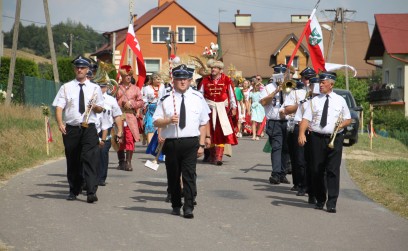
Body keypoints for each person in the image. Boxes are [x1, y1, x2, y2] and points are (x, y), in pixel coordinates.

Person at [153, 64, 210, 219]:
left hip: (191, 142)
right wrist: (167, 121)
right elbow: (155, 122)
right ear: (174, 80)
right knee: (173, 175)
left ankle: (189, 206)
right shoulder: (166, 99)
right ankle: (176, 204)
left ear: (190, 80)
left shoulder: (198, 98)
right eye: (179, 79)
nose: (182, 82)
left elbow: (204, 122)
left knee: (189, 175)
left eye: (185, 79)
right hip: (172, 142)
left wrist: (202, 144)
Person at [52, 55, 104, 203]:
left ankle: (91, 191)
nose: (80, 70)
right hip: (72, 128)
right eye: (77, 67)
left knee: (90, 158)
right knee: (73, 159)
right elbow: (59, 107)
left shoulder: (95, 88)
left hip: (89, 128)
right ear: (74, 69)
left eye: (82, 68)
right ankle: (74, 189)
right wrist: (60, 123)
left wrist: (95, 106)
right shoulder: (66, 87)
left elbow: (100, 109)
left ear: (87, 70)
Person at [298, 72, 351, 213]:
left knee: (333, 170)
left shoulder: (340, 100)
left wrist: (340, 126)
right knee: (316, 170)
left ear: (331, 84)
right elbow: (305, 119)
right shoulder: (314, 100)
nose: (320, 85)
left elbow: (348, 118)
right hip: (316, 138)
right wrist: (301, 133)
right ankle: (320, 199)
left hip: (335, 138)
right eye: (320, 82)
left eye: (323, 82)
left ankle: (332, 202)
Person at [282, 67, 316, 195]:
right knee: (299, 159)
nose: (308, 81)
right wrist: (302, 103)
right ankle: (301, 184)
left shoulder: (319, 92)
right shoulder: (296, 92)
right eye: (306, 78)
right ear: (302, 78)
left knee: (312, 159)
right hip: (298, 125)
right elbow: (287, 109)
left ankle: (310, 184)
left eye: (311, 78)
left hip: (313, 128)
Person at [198, 59, 238, 165]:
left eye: (215, 68)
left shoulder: (226, 80)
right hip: (208, 109)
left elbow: (231, 94)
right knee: (209, 132)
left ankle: (219, 157)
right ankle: (212, 155)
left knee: (221, 132)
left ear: (220, 70)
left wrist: (233, 107)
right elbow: (200, 95)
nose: (213, 70)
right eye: (212, 68)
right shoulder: (205, 80)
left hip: (222, 109)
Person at [260, 63, 290, 185]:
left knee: (286, 148)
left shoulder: (289, 87)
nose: (281, 77)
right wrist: (276, 91)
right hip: (274, 121)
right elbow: (263, 102)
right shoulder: (267, 88)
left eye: (283, 75)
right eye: (279, 74)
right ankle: (276, 174)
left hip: (287, 121)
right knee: (277, 147)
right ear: (274, 75)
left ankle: (283, 173)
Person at [95, 74, 123, 186]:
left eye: (103, 86)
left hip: (106, 129)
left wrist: (120, 130)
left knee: (103, 152)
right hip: (92, 128)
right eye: (99, 86)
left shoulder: (111, 100)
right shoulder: (91, 97)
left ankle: (101, 177)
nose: (101, 89)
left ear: (107, 87)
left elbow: (117, 116)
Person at [116, 65, 144, 171]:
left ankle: (128, 162)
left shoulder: (136, 89)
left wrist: (131, 103)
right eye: (126, 75)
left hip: (130, 117)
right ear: (122, 76)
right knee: (119, 139)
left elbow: (141, 102)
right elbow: (112, 101)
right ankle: (121, 161)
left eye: (130, 75)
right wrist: (121, 102)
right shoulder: (117, 88)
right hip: (119, 117)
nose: (128, 77)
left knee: (129, 139)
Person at [142, 73, 165, 144]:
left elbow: (164, 96)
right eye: (157, 79)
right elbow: (144, 99)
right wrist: (145, 106)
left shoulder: (162, 87)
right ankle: (150, 144)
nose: (159, 80)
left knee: (159, 125)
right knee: (150, 125)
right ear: (153, 80)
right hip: (150, 108)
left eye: (159, 79)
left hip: (159, 108)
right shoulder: (147, 88)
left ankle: (158, 143)